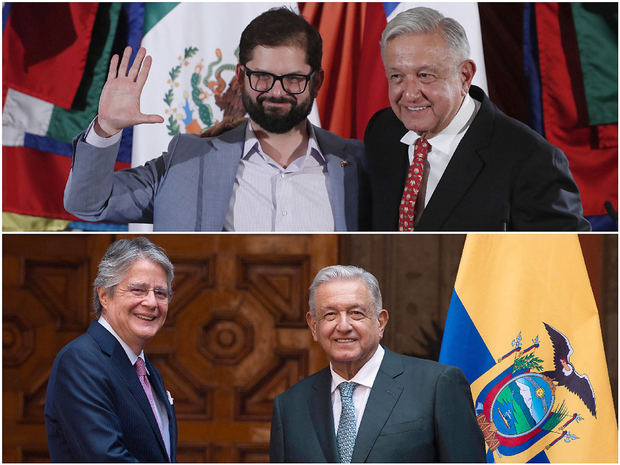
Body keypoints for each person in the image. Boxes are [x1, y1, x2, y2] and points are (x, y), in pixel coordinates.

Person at [64, 8, 368, 231]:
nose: (277, 91)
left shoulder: (360, 163)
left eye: (293, 79)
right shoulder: (187, 159)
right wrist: (106, 129)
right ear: (240, 77)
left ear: (317, 82)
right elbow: (88, 204)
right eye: (262, 77)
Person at [365, 7, 591, 231]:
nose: (410, 94)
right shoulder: (383, 130)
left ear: (465, 76)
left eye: (425, 76)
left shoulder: (532, 160)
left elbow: (556, 255)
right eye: (397, 76)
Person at [270, 265, 486, 462]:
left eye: (356, 313)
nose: (343, 326)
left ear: (380, 322)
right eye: (330, 315)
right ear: (314, 326)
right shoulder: (289, 406)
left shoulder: (437, 386)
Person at [44, 237, 177, 462]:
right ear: (104, 295)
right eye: (138, 290)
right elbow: (106, 458)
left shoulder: (147, 371)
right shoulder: (80, 361)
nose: (152, 303)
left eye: (160, 293)